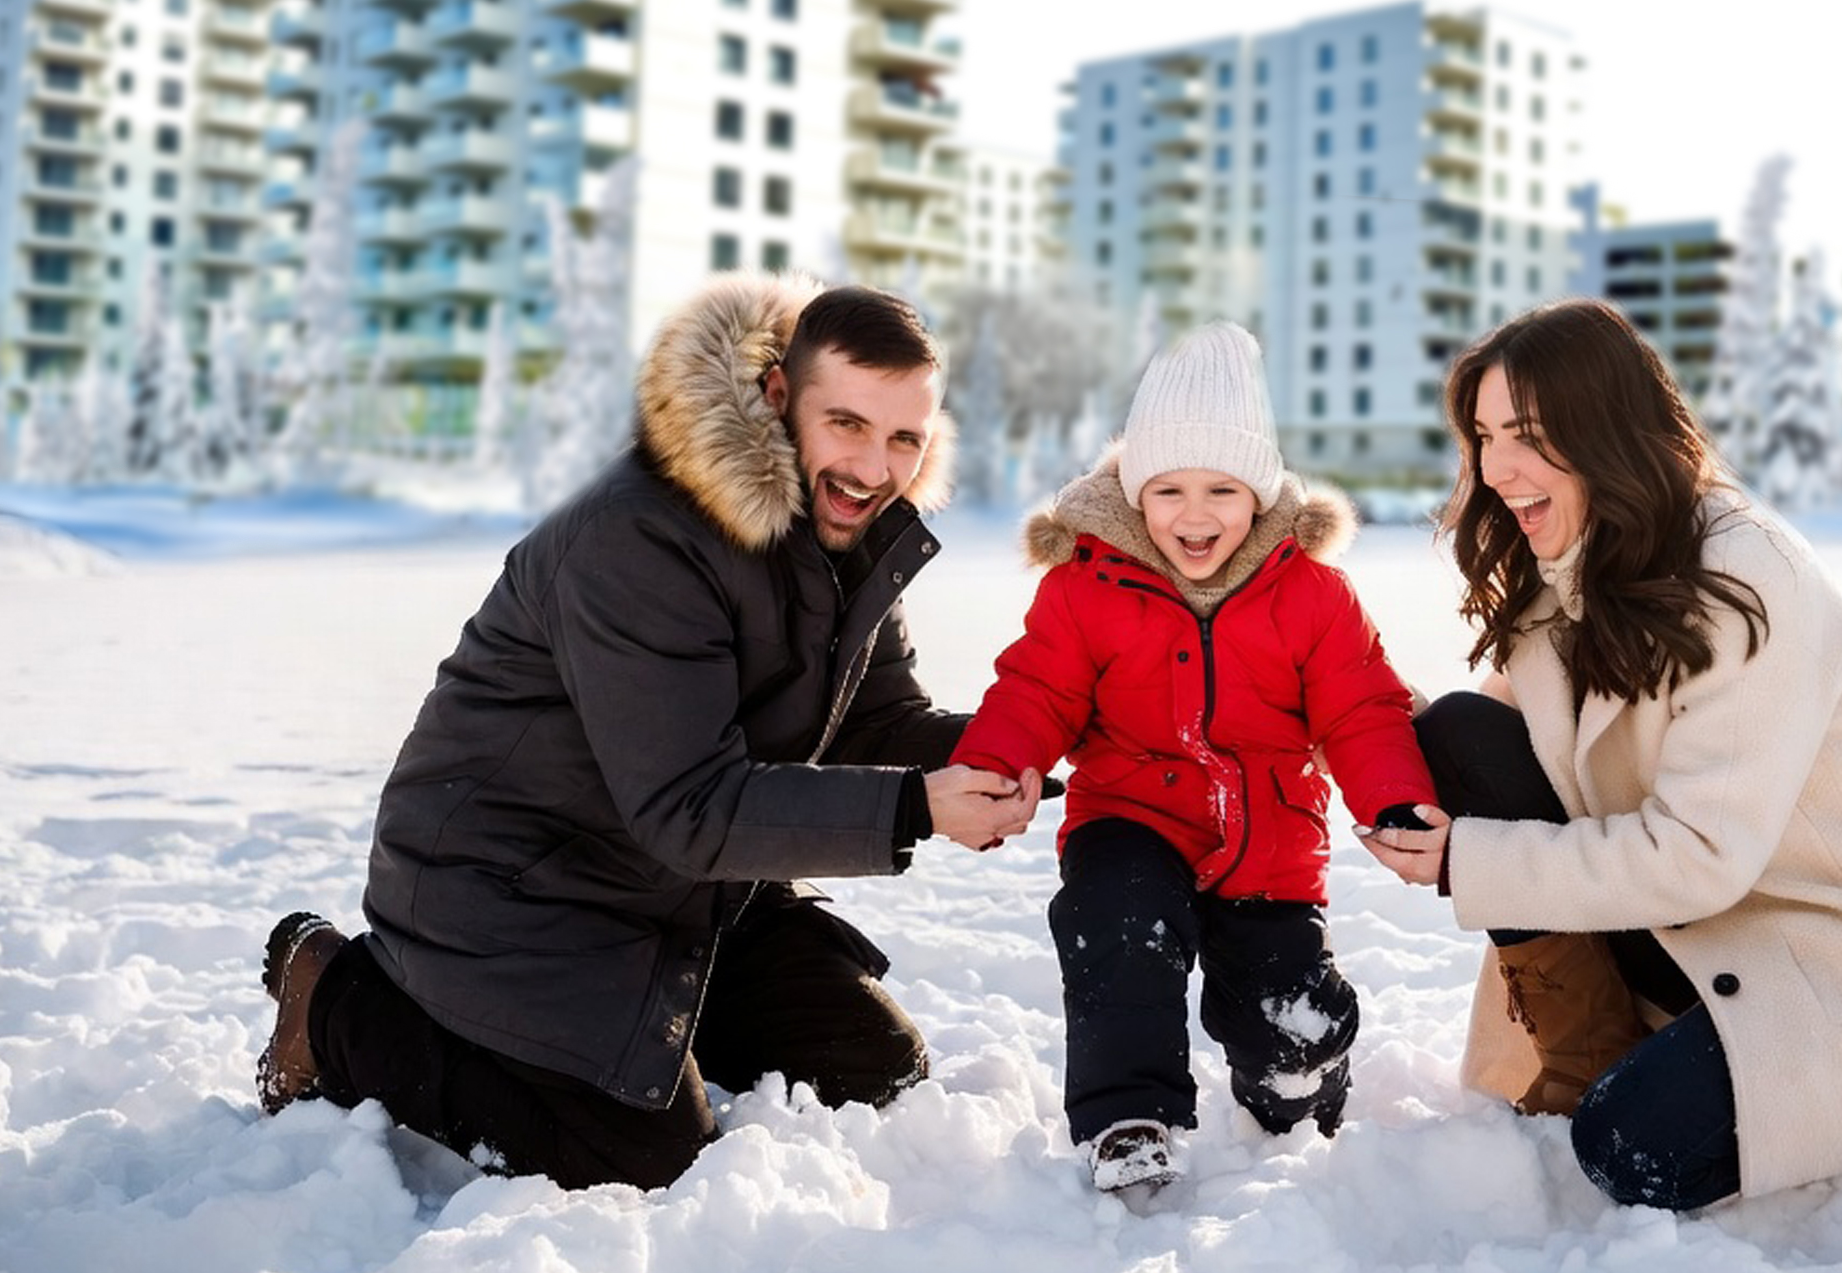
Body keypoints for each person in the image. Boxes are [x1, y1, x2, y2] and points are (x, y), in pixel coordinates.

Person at [254, 274, 1040, 1191]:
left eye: (904, 436)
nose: (874, 468)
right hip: (516, 889)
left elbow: (879, 720)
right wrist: (916, 807)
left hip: (685, 892)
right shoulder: (639, 535)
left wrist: (1039, 731)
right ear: (780, 397)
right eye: (849, 425)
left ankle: (657, 1029)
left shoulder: (849, 530)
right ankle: (340, 1002)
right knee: (638, 1161)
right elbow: (688, 806)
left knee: (873, 1071)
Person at [1360, 298, 1842, 1211]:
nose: (1496, 468)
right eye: (1486, 434)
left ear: (1608, 430)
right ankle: (1593, 1049)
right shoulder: (1574, 569)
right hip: (1710, 923)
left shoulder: (1746, 576)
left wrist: (1472, 859)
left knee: (1631, 1148)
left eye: (1529, 435)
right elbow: (1511, 748)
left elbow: (1698, 854)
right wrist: (1366, 717)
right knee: (1458, 733)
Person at [949, 322, 1435, 1195]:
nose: (1195, 514)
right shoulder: (1088, 584)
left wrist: (1394, 801)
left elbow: (1363, 707)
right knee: (1117, 931)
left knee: (1288, 1026)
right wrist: (996, 764)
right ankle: (1128, 1116)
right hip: (1131, 819)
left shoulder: (1312, 593)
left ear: (1260, 491)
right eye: (1168, 488)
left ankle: (1300, 1081)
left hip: (1271, 848)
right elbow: (1035, 690)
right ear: (1135, 493)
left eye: (1222, 487)